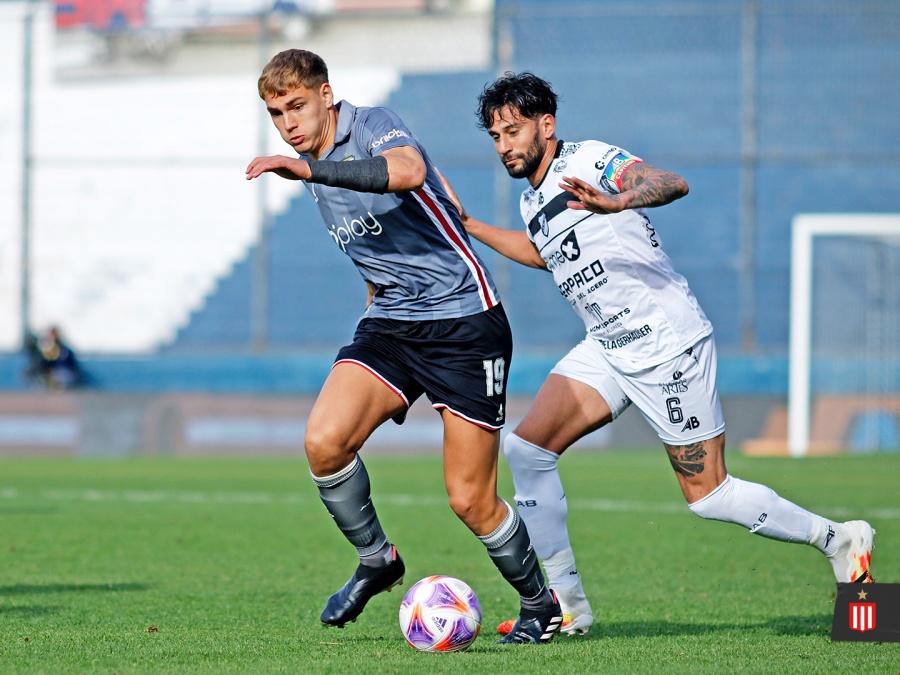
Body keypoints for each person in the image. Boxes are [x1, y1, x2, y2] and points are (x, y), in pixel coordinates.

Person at [440, 71, 876, 637]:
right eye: (495, 136)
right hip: (607, 346)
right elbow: (548, 252)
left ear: (546, 125)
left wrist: (618, 200)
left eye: (513, 131)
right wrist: (471, 226)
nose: (504, 146)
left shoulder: (591, 160)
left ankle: (839, 538)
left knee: (708, 495)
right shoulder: (531, 200)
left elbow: (670, 182)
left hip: (665, 343)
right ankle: (567, 609)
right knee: (526, 451)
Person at [245, 50, 563, 644]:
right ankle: (376, 559)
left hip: (465, 322)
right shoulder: (309, 166)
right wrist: (373, 311)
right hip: (392, 322)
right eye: (275, 113)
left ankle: (540, 605)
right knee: (323, 443)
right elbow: (369, 252)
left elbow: (407, 170)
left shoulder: (369, 126)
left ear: (326, 96)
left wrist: (310, 172)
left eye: (296, 106)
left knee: (470, 499)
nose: (288, 123)